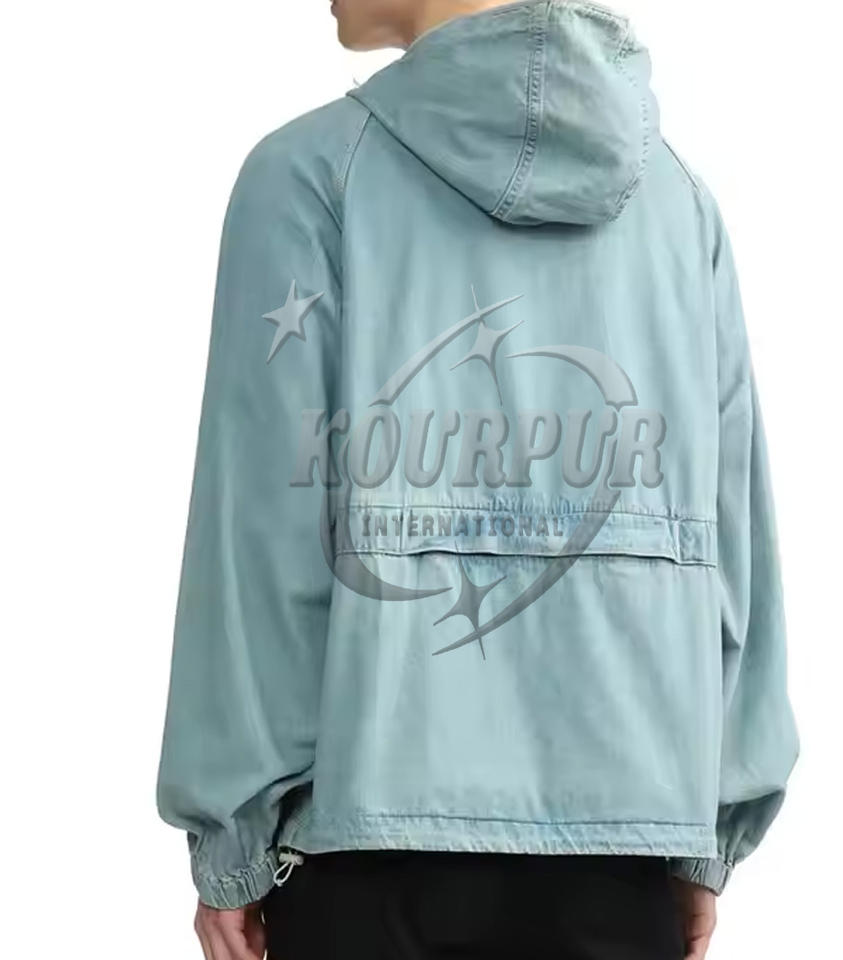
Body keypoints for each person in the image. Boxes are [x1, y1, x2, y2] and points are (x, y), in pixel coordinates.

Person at [157, 0, 799, 957]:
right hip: (624, 854)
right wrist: (709, 828)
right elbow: (728, 533)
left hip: (366, 852)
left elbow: (256, 539)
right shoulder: (678, 201)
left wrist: (234, 844)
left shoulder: (308, 177)